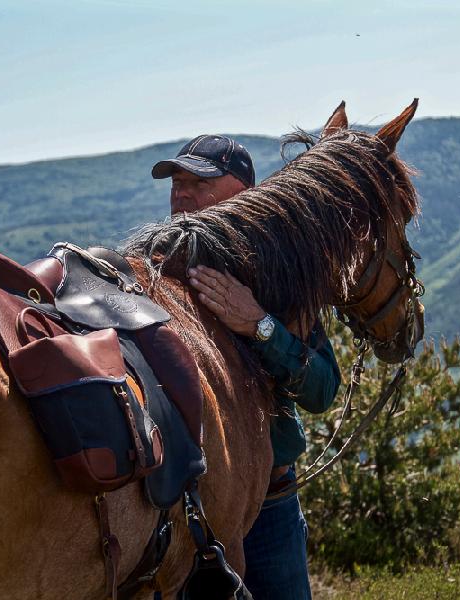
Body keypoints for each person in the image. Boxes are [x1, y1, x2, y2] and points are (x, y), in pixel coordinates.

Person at [152, 135, 342, 599]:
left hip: (270, 500)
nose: (182, 193)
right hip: (180, 511)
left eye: (199, 180)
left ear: (244, 191)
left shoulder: (279, 273)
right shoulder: (156, 274)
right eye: (177, 181)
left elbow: (321, 389)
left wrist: (259, 325)